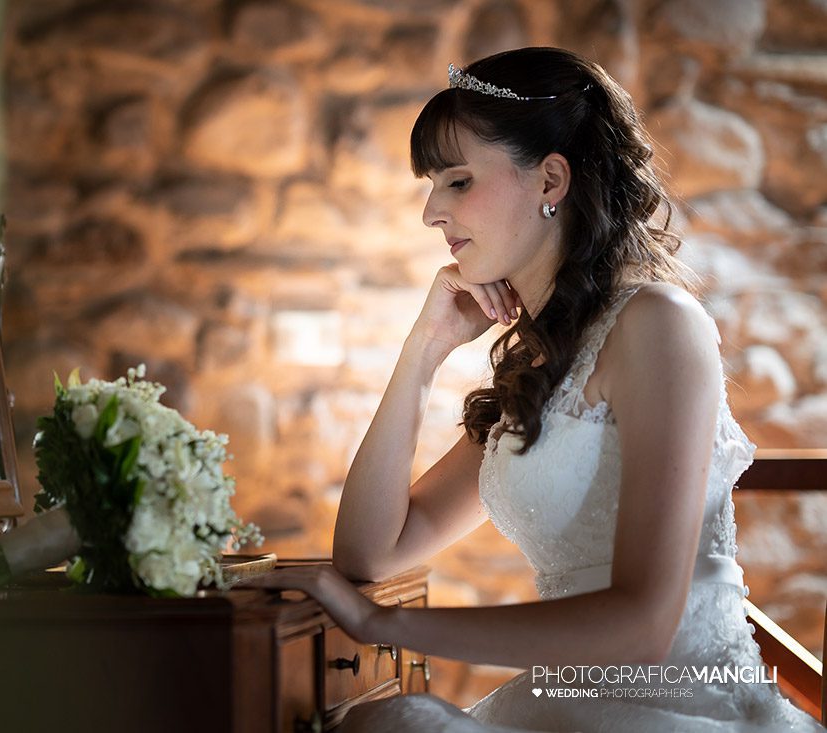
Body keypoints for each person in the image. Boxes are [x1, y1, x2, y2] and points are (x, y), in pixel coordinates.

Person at [239, 47, 825, 732]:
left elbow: (644, 624)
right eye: (431, 186)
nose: (431, 211)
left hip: (680, 711)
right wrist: (421, 350)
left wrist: (382, 622)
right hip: (564, 708)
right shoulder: (542, 364)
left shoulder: (659, 325)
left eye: (457, 182)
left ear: (550, 179)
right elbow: (370, 550)